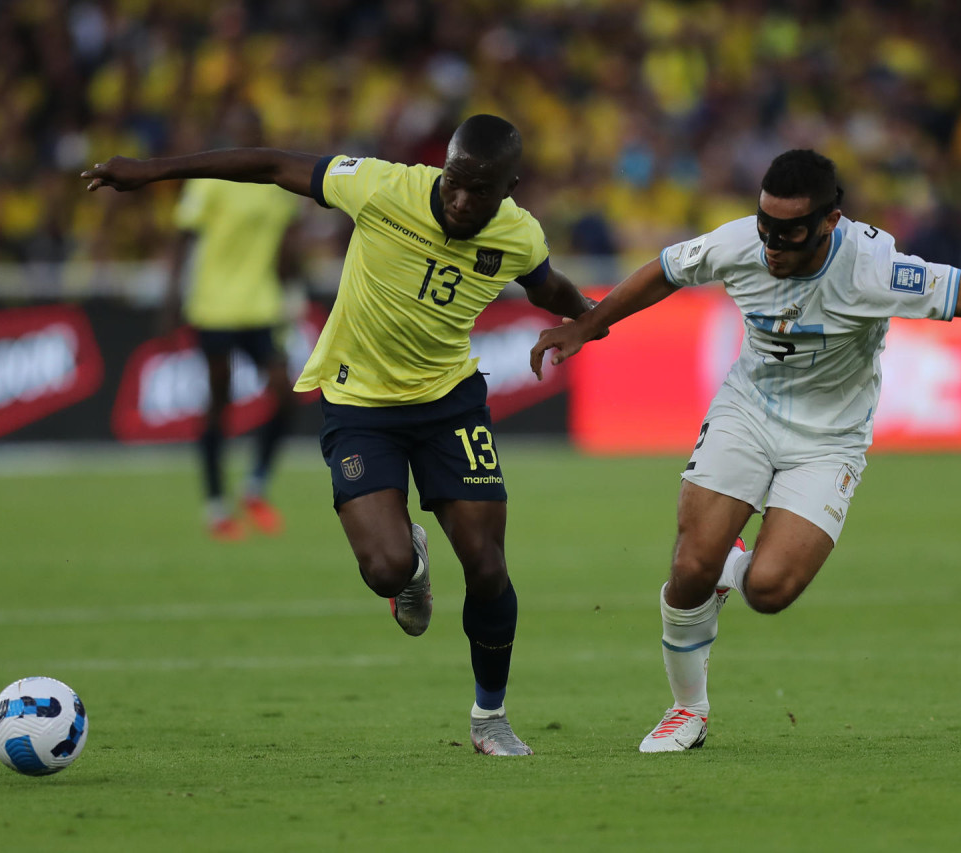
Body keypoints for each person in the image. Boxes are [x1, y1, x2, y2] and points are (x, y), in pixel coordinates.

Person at [530, 149, 961, 753]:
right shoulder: (739, 244)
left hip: (830, 440)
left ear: (829, 222)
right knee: (689, 566)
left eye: (789, 231)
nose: (772, 244)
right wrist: (591, 323)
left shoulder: (876, 270)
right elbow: (666, 272)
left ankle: (730, 570)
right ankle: (688, 709)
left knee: (769, 589)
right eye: (765, 226)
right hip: (746, 414)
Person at [84, 114, 596, 756]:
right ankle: (409, 561)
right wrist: (153, 171)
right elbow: (272, 164)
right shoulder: (381, 187)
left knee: (488, 567)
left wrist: (592, 317)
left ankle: (489, 718)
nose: (463, 202)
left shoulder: (517, 234)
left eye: (482, 192)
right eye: (456, 183)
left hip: (450, 405)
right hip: (360, 405)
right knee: (386, 570)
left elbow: (546, 284)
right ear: (443, 166)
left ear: (509, 188)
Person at [163, 107, 302, 541]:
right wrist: (171, 295)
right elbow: (184, 236)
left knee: (284, 393)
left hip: (262, 305)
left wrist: (292, 288)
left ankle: (255, 485)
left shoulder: (276, 185)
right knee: (219, 402)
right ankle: (216, 506)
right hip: (215, 306)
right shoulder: (208, 180)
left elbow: (284, 246)